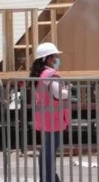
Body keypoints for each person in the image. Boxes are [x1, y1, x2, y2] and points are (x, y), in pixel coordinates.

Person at [31, 42, 69, 182]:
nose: (56, 60)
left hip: (45, 117)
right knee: (50, 152)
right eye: (54, 57)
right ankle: (50, 178)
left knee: (46, 151)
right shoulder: (50, 74)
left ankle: (47, 177)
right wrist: (69, 91)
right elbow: (59, 94)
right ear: (46, 58)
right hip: (53, 118)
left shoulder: (39, 73)